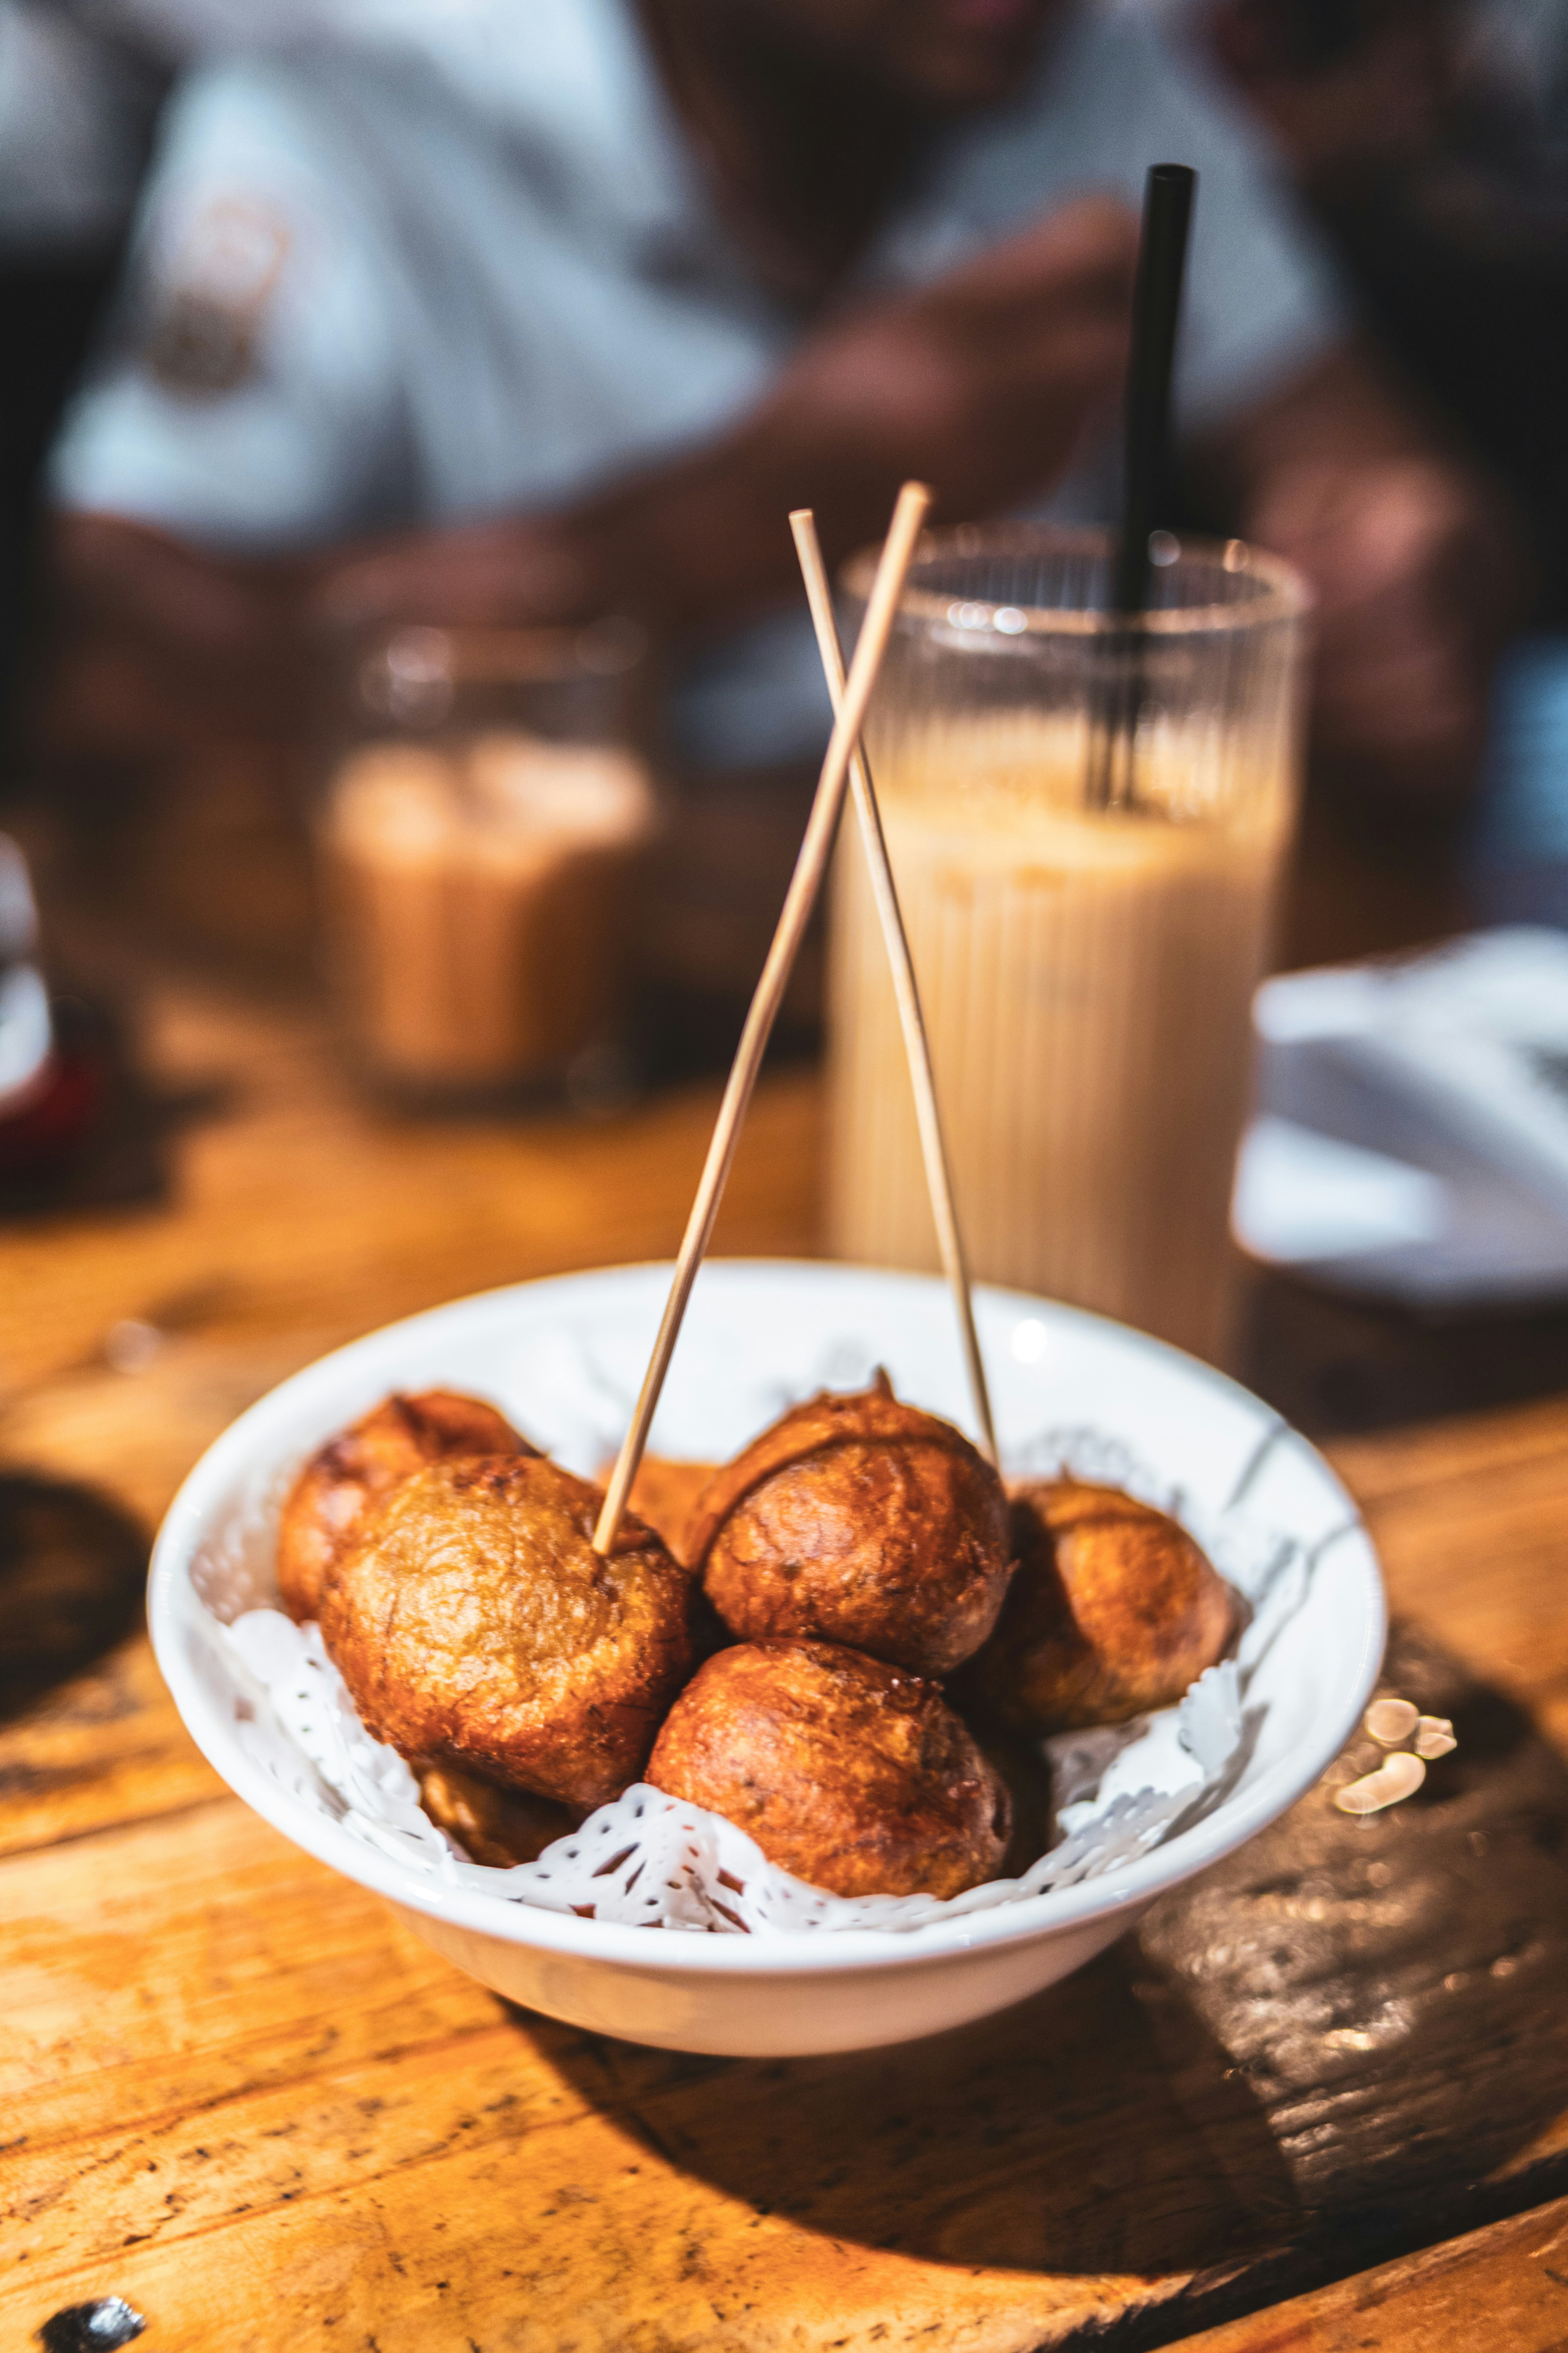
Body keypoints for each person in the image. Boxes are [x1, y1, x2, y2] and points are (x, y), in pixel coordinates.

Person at [40, 0, 1518, 815]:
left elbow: (1365, 454)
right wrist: (761, 505)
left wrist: (1404, 571)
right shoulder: (356, 112)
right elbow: (119, 668)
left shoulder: (1106, 80)